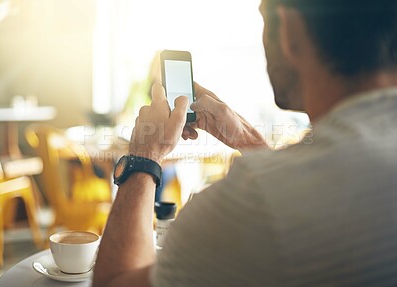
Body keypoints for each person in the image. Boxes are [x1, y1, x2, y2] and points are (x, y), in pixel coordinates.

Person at [93, 0, 397, 286]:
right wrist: (248, 140)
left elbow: (114, 281)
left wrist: (145, 155)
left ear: (287, 28)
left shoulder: (252, 201)